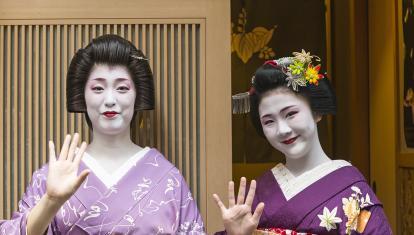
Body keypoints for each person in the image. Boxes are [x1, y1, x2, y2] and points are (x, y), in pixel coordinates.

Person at [0, 34, 205, 234]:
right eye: (98, 88)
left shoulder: (167, 177)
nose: (109, 99)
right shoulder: (52, 176)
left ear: (138, 95)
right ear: (82, 96)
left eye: (122, 88)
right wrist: (51, 201)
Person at [213, 50, 392, 235]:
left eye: (290, 114)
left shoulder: (352, 189)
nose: (282, 129)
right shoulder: (258, 193)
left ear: (317, 111)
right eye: (268, 121)